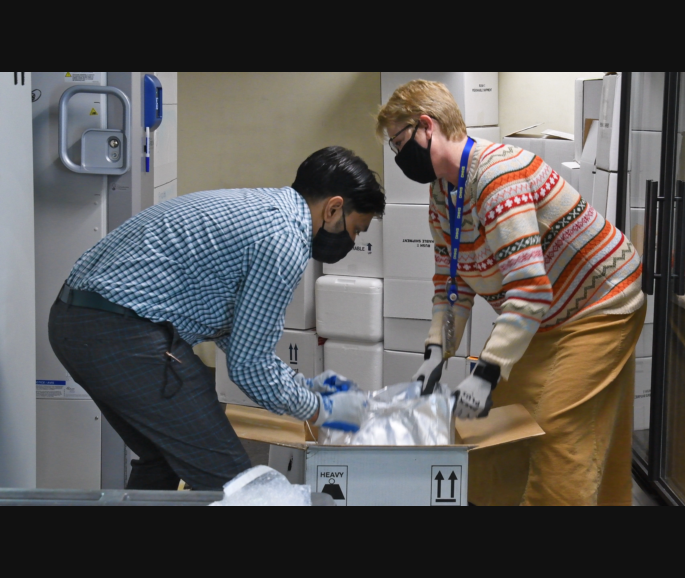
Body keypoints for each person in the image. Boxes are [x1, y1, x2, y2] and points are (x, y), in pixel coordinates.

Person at [48, 146, 385, 491]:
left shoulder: (263, 207)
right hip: (120, 330)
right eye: (356, 229)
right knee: (233, 480)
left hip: (74, 319)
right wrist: (321, 411)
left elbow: (237, 337)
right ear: (333, 208)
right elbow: (248, 366)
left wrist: (305, 389)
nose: (352, 240)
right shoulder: (285, 240)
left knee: (165, 455)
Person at [378, 80, 646, 506]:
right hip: (547, 311)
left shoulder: (496, 176)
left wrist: (486, 371)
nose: (398, 156)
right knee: (503, 419)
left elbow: (529, 288)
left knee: (558, 428)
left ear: (426, 126)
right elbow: (453, 281)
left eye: (398, 142)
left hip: (600, 301)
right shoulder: (442, 193)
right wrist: (436, 351)